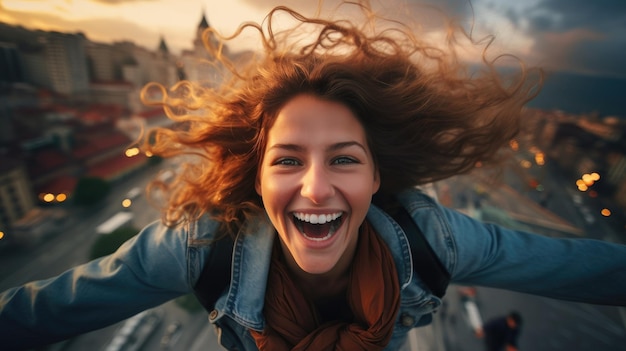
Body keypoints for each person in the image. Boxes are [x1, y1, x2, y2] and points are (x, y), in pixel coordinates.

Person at [1, 1, 626, 350]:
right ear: (258, 176)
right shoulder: (200, 248)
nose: (317, 188)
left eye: (345, 158)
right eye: (288, 159)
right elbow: (42, 311)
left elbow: (591, 269)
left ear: (379, 176)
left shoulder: (439, 240)